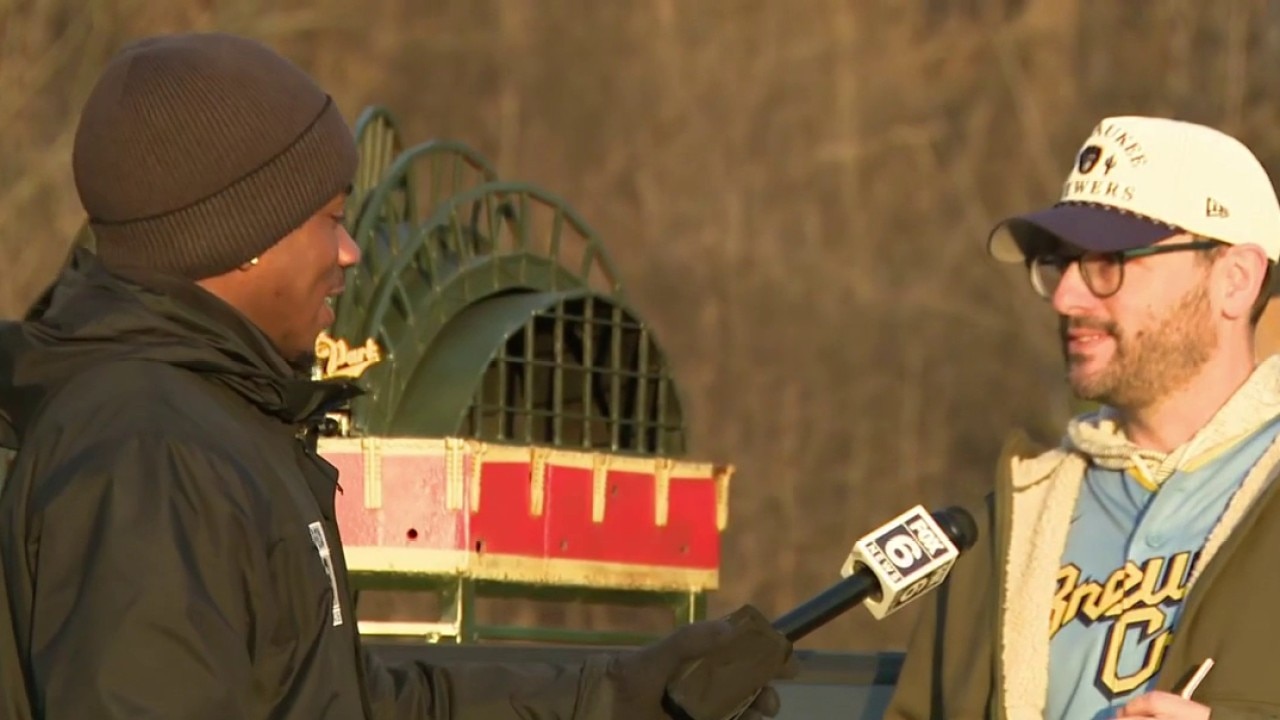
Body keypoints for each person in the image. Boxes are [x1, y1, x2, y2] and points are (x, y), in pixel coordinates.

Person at [0, 32, 796, 719]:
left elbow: (351, 704)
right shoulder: (149, 453)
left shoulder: (217, 424)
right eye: (332, 219)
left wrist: (619, 696)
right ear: (241, 235)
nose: (349, 253)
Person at [883, 115, 1280, 720]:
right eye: (1060, 264)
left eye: (1109, 263)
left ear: (1234, 280)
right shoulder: (1000, 532)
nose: (1068, 298)